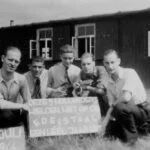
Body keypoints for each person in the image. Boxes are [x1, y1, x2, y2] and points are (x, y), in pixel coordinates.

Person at [102, 49, 150, 145]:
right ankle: (137, 130)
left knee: (119, 107)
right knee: (108, 134)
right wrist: (106, 123)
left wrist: (109, 111)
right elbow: (112, 103)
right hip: (126, 111)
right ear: (104, 63)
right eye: (107, 63)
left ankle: (132, 140)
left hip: (142, 110)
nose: (110, 66)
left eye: (112, 62)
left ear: (118, 61)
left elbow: (126, 97)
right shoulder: (107, 81)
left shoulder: (129, 73)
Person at [0, 46, 30, 136]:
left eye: (16, 61)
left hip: (12, 115)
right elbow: (1, 104)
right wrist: (22, 106)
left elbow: (28, 100)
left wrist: (28, 107)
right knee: (6, 113)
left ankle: (28, 140)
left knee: (28, 112)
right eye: (10, 60)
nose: (13, 64)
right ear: (2, 58)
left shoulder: (21, 79)